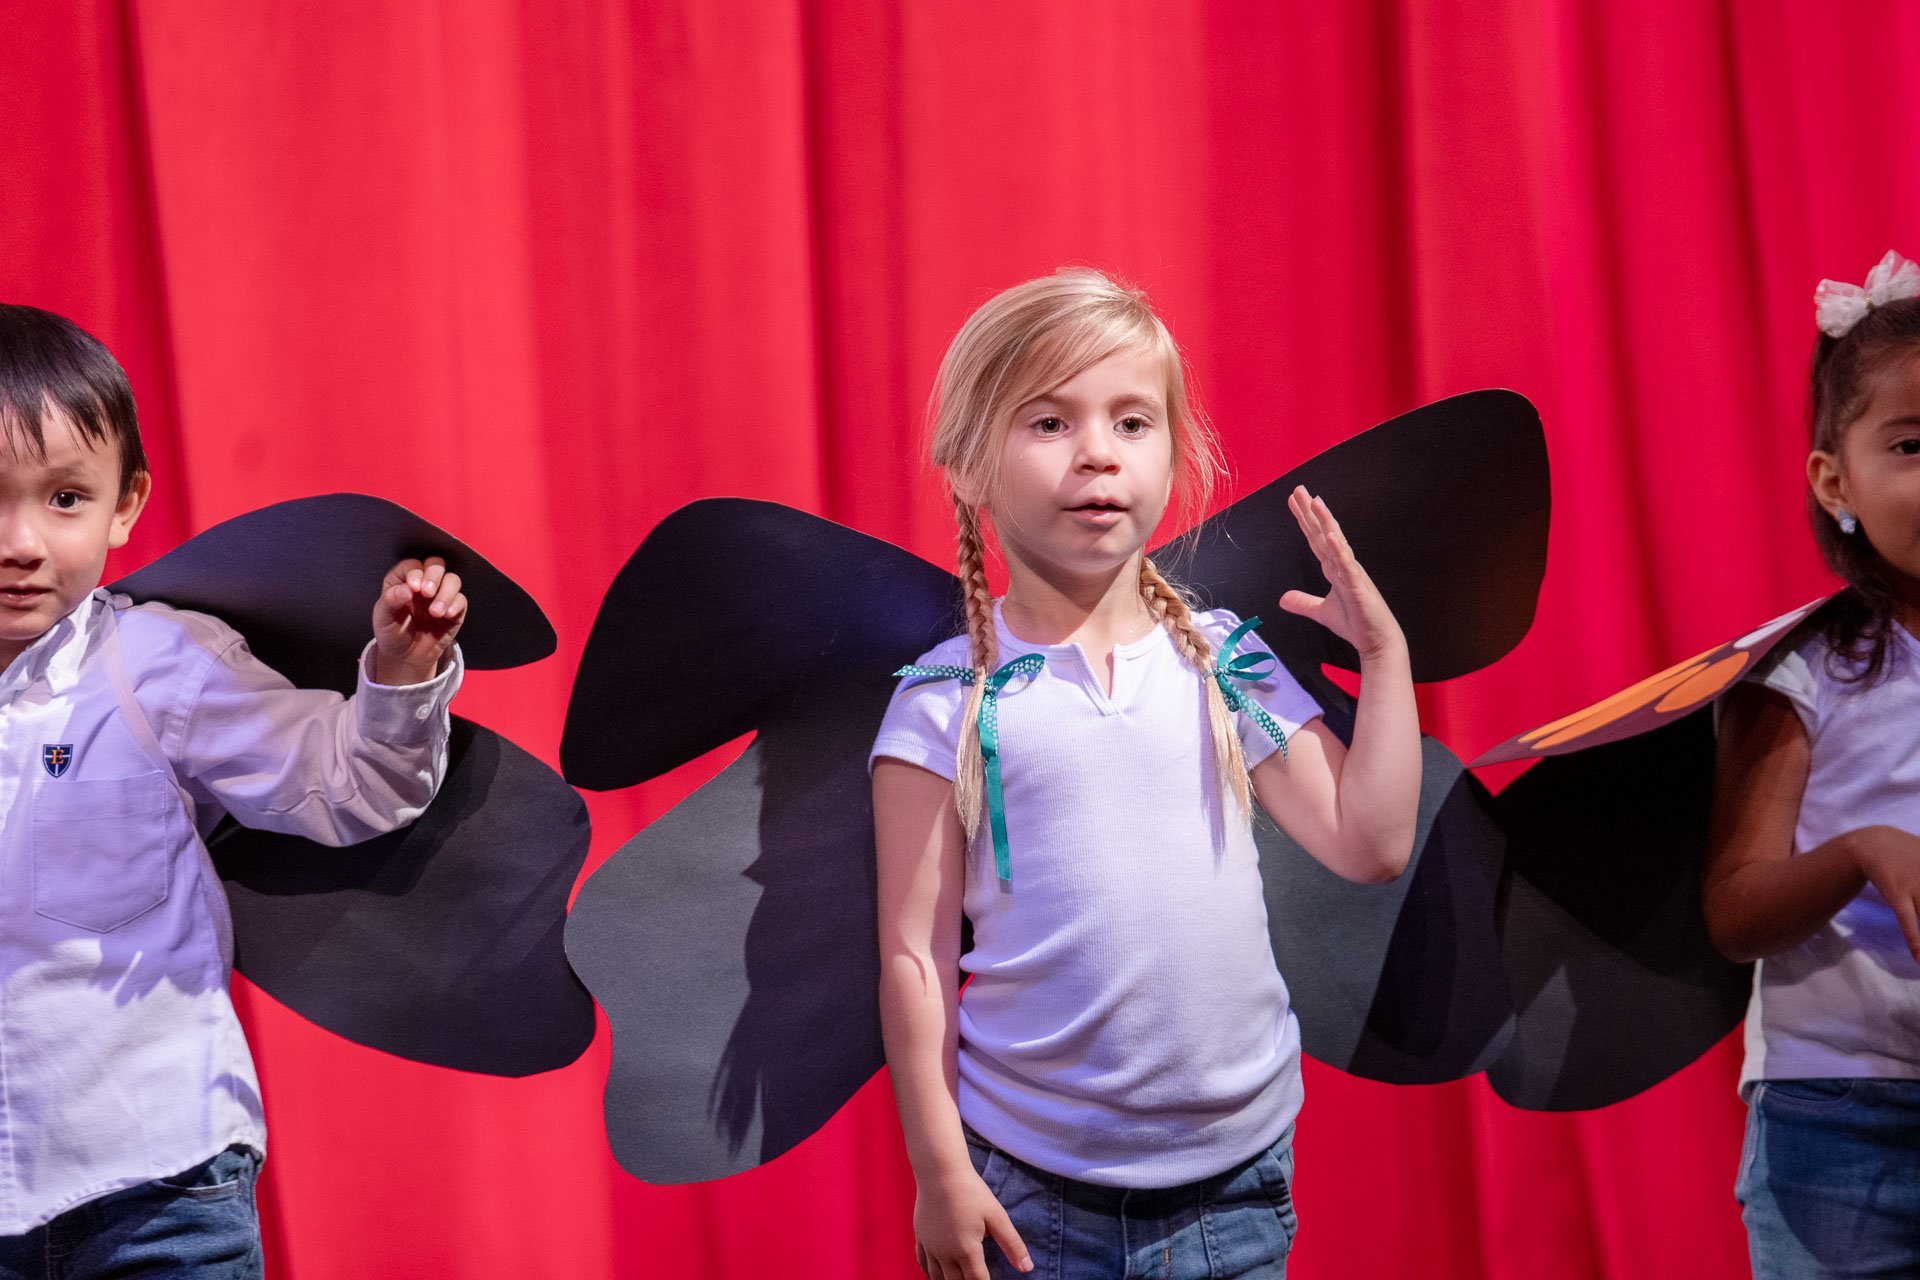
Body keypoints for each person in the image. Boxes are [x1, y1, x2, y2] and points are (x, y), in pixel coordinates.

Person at [870, 268, 1422, 1280]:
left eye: (1132, 421)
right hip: (1035, 1201)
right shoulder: (946, 699)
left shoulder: (1224, 659)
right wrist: (938, 1163)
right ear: (967, 465)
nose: (1097, 453)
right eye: (1049, 421)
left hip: (1240, 1191)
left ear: (1175, 451)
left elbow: (1372, 839)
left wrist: (1385, 661)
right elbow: (913, 956)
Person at [0, 302, 466, 1277]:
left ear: (126, 503)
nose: (24, 541)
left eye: (65, 498)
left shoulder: (156, 665)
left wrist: (403, 664)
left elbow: (354, 783)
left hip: (159, 1186)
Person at [1704, 250, 1920, 1279]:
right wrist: (1863, 851)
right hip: (1839, 1113)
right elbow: (1735, 908)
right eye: (1914, 444)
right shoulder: (1802, 668)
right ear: (1837, 480)